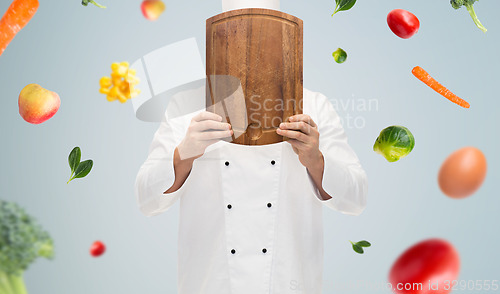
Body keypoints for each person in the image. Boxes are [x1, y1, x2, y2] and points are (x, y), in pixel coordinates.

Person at [135, 87, 368, 294]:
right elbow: (147, 199)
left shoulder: (313, 106)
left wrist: (316, 160)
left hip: (288, 283)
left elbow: (355, 198)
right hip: (210, 286)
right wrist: (183, 153)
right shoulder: (186, 106)